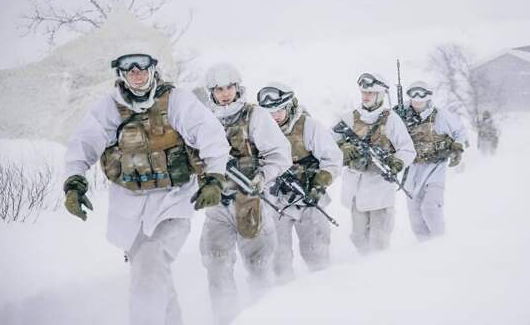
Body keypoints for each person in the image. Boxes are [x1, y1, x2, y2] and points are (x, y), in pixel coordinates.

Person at [63, 49, 230, 325]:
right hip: (129, 209)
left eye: (142, 68)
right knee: (150, 270)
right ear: (121, 74)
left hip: (174, 202)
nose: (137, 74)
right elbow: (84, 142)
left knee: (150, 262)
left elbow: (210, 135)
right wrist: (74, 181)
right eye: (130, 70)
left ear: (153, 69)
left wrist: (214, 178)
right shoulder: (109, 107)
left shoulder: (176, 101)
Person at [195, 63, 292, 324]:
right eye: (219, 89)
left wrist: (262, 177)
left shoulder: (255, 116)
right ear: (211, 92)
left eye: (229, 88)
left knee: (259, 265)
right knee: (215, 264)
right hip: (217, 206)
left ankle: (265, 315)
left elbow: (281, 156)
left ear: (237, 89)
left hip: (252, 202)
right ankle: (225, 318)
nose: (225, 94)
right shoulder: (202, 118)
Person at [256, 82, 342, 282]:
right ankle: (282, 298)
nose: (274, 117)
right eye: (269, 112)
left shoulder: (309, 126)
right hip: (275, 201)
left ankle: (324, 289)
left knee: (316, 254)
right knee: (278, 259)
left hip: (308, 198)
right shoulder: (259, 130)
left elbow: (333, 159)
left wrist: (320, 181)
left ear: (290, 106)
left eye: (278, 110)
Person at [332, 73, 416, 254]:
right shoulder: (348, 118)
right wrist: (343, 149)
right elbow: (328, 147)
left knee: (379, 242)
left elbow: (408, 150)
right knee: (358, 238)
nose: (366, 96)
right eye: (363, 92)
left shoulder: (391, 119)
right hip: (355, 188)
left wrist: (396, 163)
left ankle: (378, 272)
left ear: (380, 95)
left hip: (380, 188)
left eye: (370, 92)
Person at [396, 80, 467, 241]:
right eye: (413, 94)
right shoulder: (401, 115)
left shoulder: (441, 115)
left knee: (430, 208)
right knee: (414, 213)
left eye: (421, 94)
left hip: (436, 168)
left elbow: (460, 132)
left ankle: (440, 242)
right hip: (412, 170)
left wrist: (457, 148)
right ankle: (423, 246)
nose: (417, 99)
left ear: (428, 96)